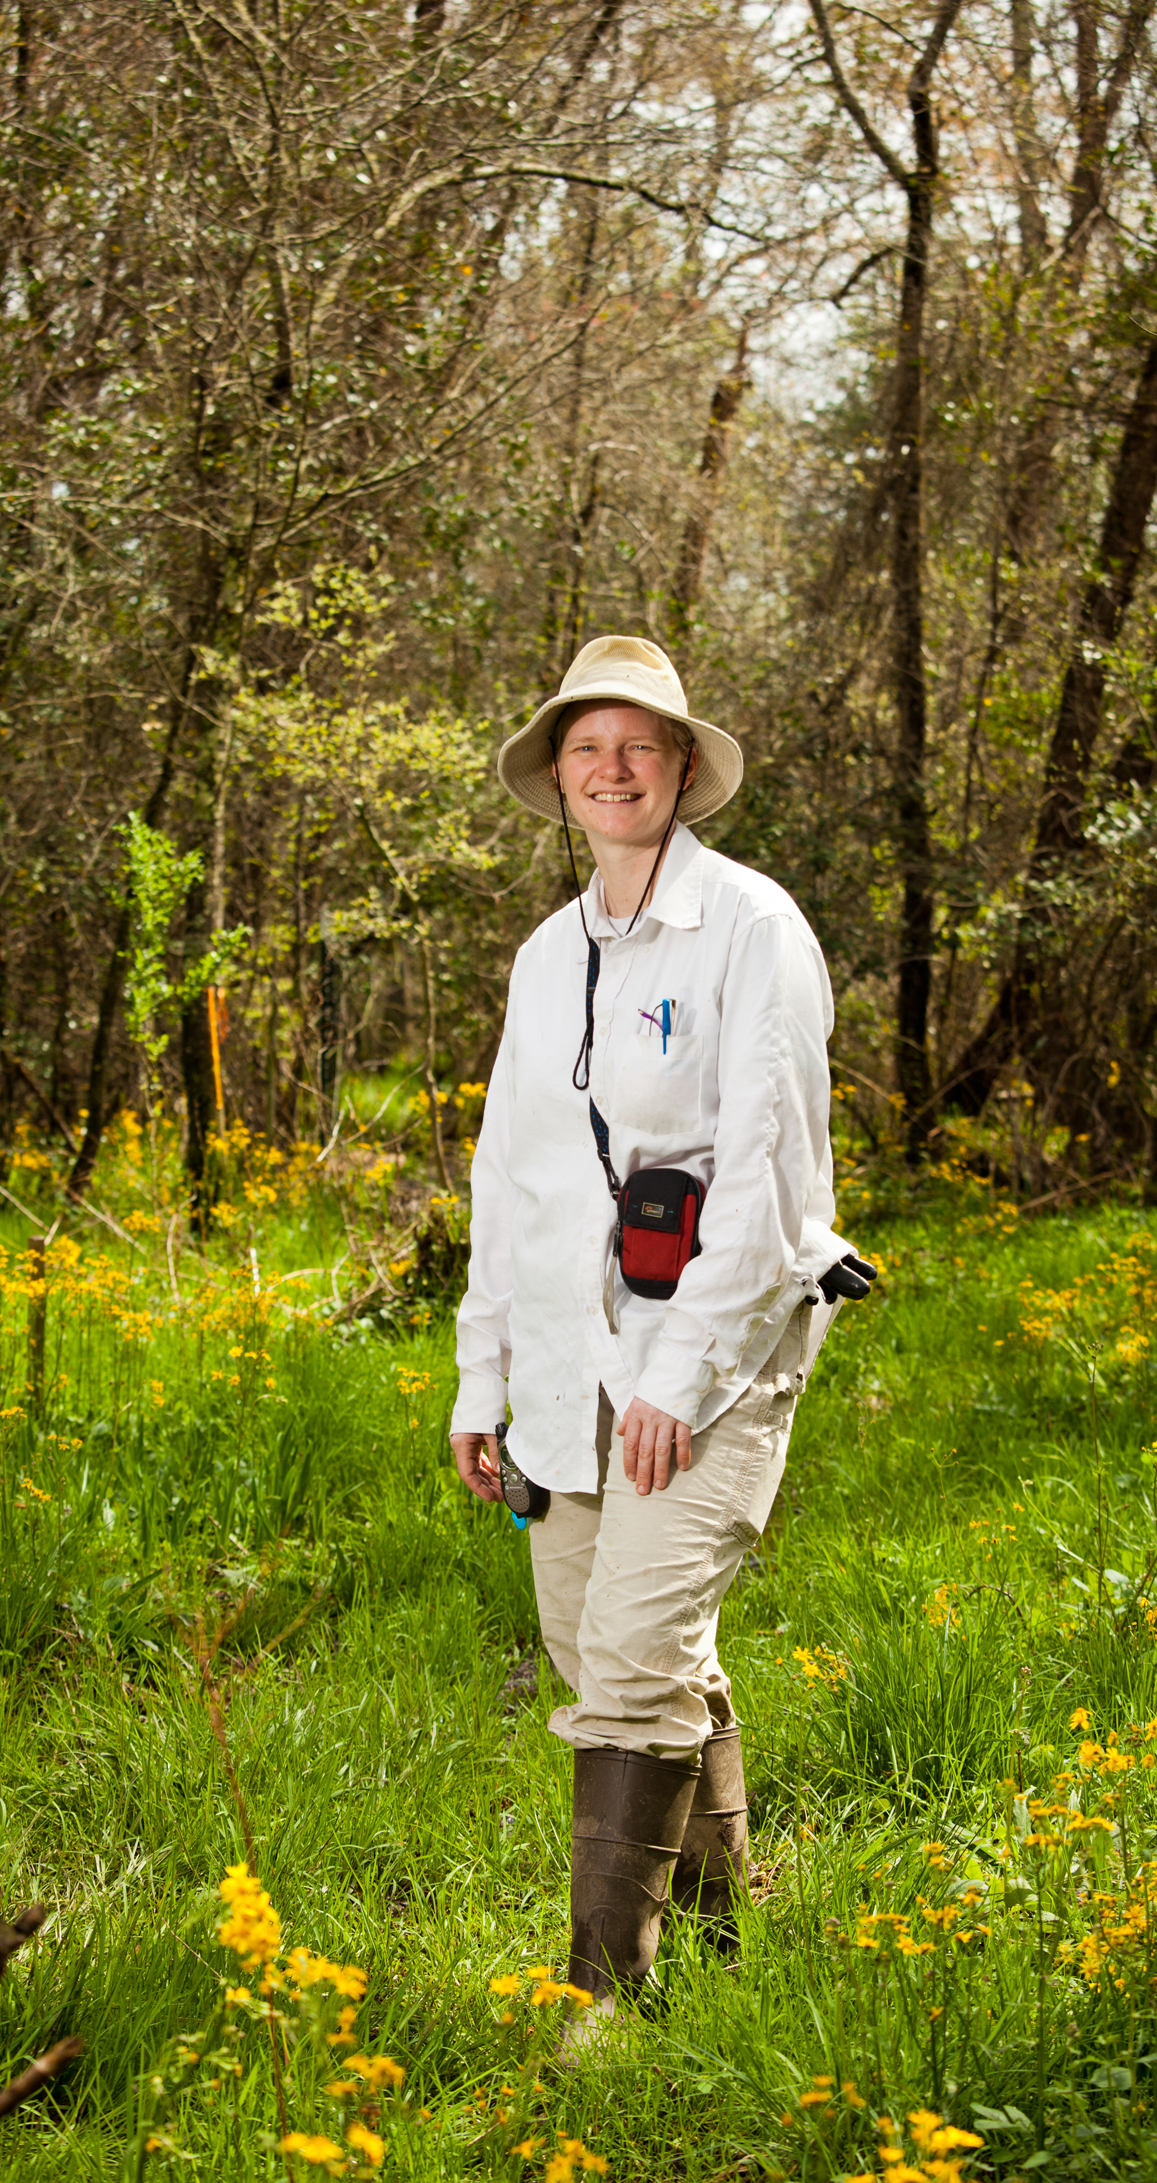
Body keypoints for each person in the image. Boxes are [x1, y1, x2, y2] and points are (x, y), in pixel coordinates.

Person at [449, 634, 867, 2038]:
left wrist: (681, 1377)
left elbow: (767, 1178)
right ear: (558, 776)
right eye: (587, 747)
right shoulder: (545, 954)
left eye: (639, 745)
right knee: (599, 1646)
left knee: (631, 1654)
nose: (612, 770)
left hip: (721, 1359)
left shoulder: (753, 928)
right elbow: (508, 1178)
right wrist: (481, 1380)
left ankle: (604, 2009)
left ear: (684, 769)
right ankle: (729, 1941)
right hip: (566, 1371)